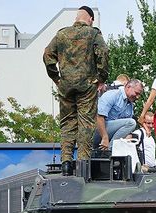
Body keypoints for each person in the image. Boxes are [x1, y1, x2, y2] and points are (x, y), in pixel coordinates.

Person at [43, 5, 108, 173]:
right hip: (87, 84)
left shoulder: (61, 34)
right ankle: (83, 164)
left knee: (67, 123)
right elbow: (103, 53)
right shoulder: (93, 33)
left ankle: (66, 162)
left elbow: (47, 55)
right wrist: (101, 78)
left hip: (66, 85)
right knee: (86, 122)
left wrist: (56, 77)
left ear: (77, 18)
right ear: (91, 19)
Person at [94, 79, 143, 151]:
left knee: (132, 133)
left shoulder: (130, 106)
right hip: (97, 131)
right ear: (128, 87)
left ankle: (110, 150)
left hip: (109, 135)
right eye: (136, 93)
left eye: (139, 95)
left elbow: (124, 129)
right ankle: (109, 151)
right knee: (131, 123)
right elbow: (99, 117)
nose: (137, 97)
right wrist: (105, 137)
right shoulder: (112, 95)